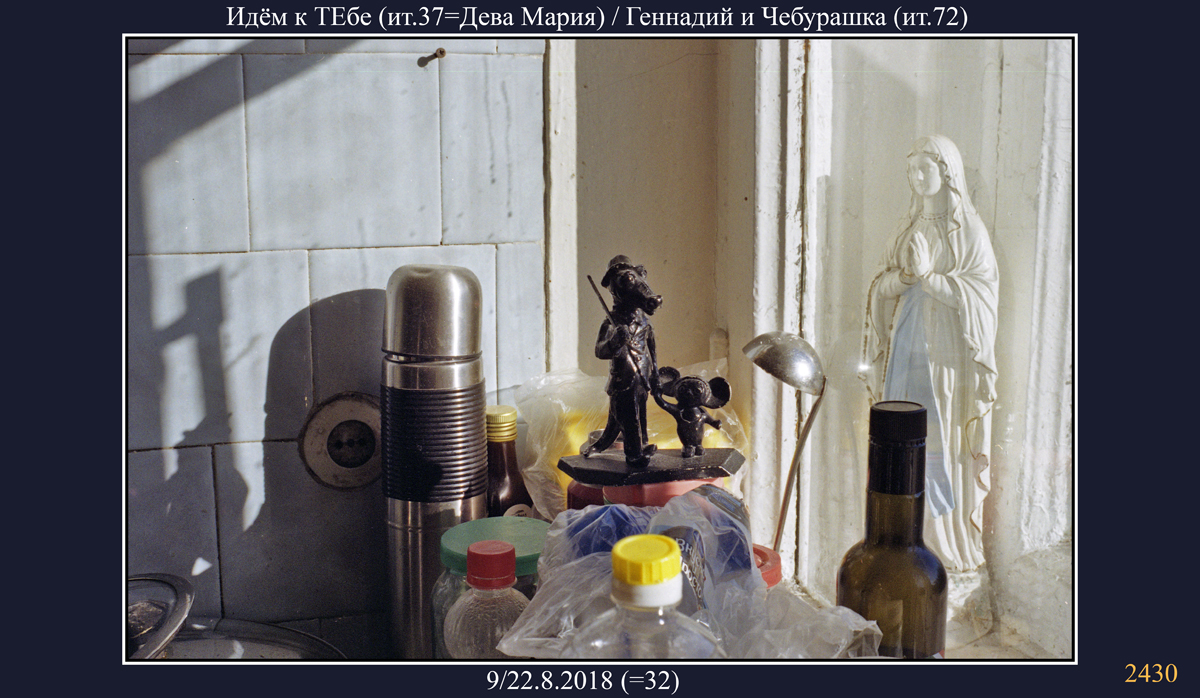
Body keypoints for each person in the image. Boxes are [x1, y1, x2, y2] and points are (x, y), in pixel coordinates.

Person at [864, 135, 998, 573]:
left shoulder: (968, 232)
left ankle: (945, 540)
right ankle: (899, 535)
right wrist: (906, 278)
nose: (917, 178)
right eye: (912, 170)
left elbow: (982, 295)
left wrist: (930, 279)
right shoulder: (907, 229)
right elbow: (881, 287)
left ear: (947, 172)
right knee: (900, 436)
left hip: (946, 358)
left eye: (925, 169)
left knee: (943, 440)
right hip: (906, 348)